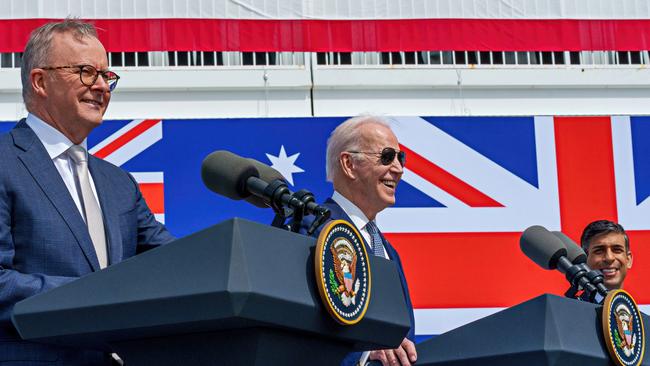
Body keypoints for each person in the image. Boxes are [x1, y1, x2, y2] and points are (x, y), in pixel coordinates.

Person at [0, 19, 174, 365]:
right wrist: (94, 298)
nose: (101, 87)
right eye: (85, 72)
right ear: (40, 82)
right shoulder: (5, 163)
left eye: (106, 76)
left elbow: (175, 260)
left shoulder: (119, 182)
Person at [305, 115, 417, 366]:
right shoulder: (311, 229)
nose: (398, 169)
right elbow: (297, 327)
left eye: (401, 158)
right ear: (349, 164)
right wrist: (365, 354)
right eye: (387, 156)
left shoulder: (389, 252)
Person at [580, 219, 633, 291]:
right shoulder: (566, 302)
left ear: (628, 260)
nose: (609, 258)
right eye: (599, 251)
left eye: (617, 250)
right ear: (584, 260)